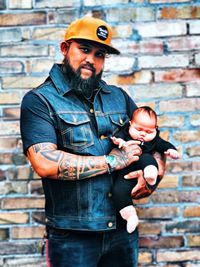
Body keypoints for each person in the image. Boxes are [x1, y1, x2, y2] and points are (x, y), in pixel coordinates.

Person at [20, 16, 165, 267]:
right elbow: (44, 162)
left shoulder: (118, 96)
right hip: (72, 237)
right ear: (65, 48)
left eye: (100, 54)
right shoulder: (39, 101)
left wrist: (155, 172)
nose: (91, 59)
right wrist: (113, 161)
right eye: (84, 49)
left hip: (122, 231)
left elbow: (154, 140)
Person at [111, 106, 180, 234]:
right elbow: (117, 137)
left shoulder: (154, 140)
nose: (143, 134)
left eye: (149, 132)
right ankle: (130, 216)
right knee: (118, 191)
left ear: (156, 130)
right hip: (124, 173)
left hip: (143, 166)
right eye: (138, 129)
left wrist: (171, 150)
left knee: (147, 158)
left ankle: (150, 175)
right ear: (130, 124)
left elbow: (163, 145)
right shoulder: (125, 133)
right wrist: (119, 141)